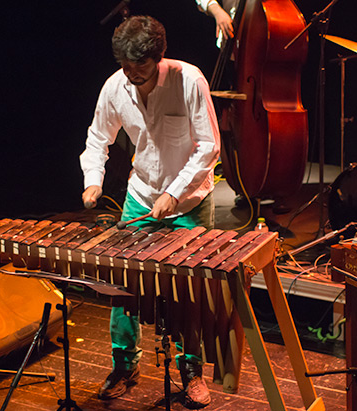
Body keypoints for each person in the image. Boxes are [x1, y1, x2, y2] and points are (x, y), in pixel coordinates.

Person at [80, 15, 220, 409]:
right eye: (124, 65)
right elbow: (97, 137)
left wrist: (175, 193)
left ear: (157, 58)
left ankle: (192, 371)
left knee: (187, 296)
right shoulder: (116, 85)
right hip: (140, 196)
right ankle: (124, 366)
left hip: (189, 202)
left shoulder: (189, 81)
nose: (129, 74)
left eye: (137, 67)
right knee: (123, 288)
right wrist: (94, 178)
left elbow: (209, 146)